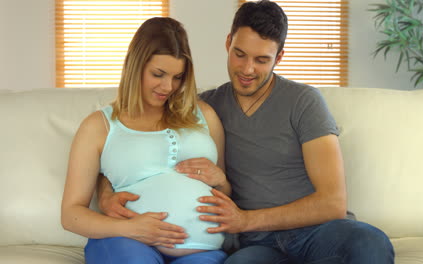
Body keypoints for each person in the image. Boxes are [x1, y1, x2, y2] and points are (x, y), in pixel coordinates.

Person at [98, 1, 395, 263]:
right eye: (240, 54)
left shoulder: (304, 101)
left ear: (279, 57)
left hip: (317, 233)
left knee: (369, 242)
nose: (247, 69)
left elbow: (332, 202)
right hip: (257, 245)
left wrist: (244, 219)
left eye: (262, 60)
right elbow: (135, 140)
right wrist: (106, 192)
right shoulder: (205, 109)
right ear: (228, 42)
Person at [61, 17, 229, 264]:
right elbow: (70, 214)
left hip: (201, 251)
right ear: (135, 65)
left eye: (177, 77)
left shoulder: (206, 116)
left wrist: (222, 182)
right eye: (158, 74)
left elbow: (225, 193)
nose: (167, 87)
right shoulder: (99, 126)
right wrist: (130, 229)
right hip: (125, 241)